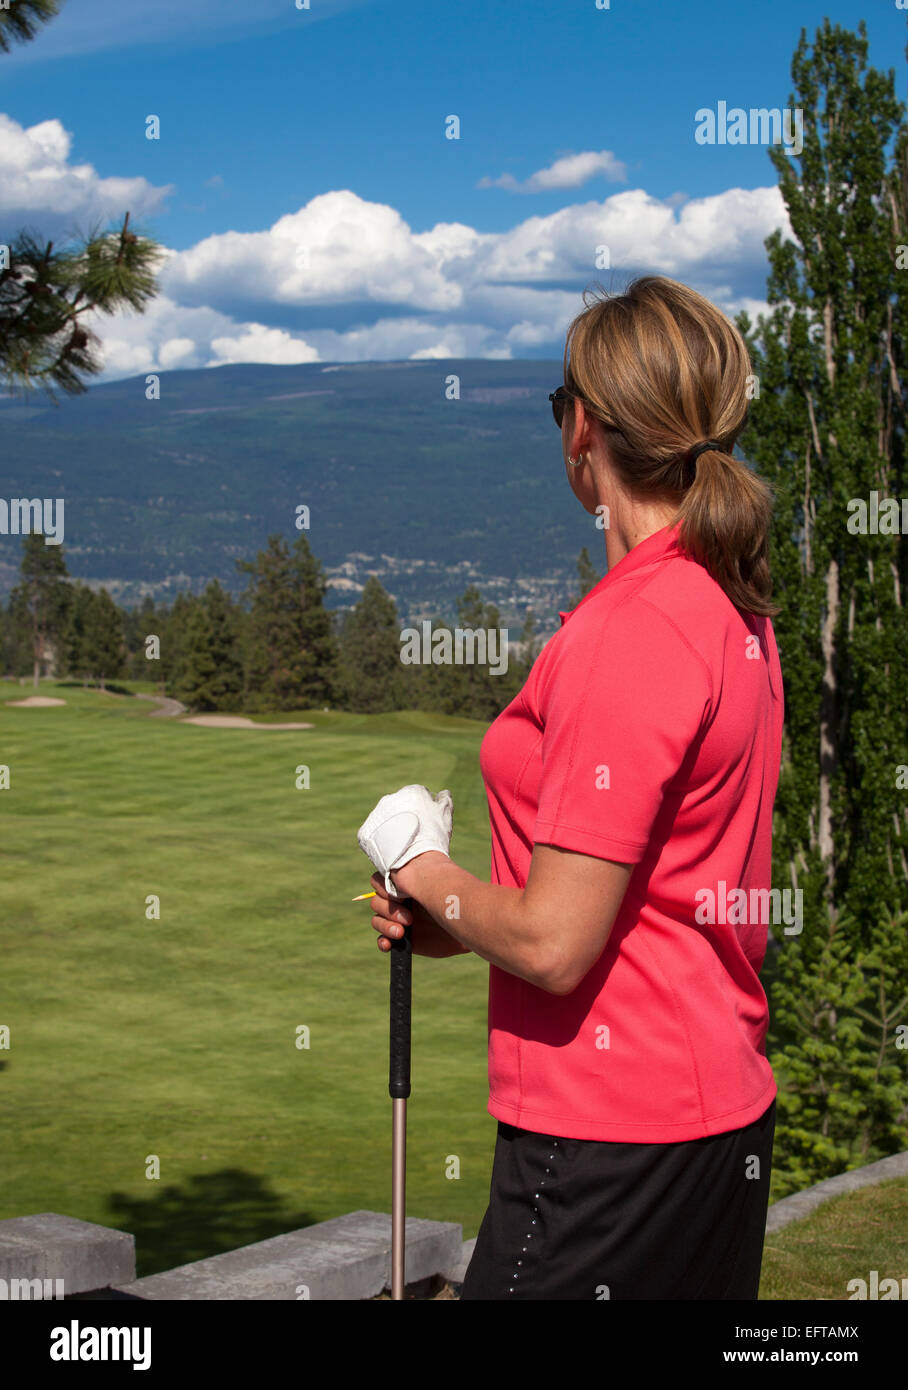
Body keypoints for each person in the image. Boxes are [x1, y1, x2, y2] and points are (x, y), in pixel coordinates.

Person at [363, 274, 783, 1300]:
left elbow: (555, 943)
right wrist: (456, 919)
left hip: (604, 1138)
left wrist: (420, 869)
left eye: (562, 404)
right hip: (713, 1117)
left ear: (582, 429)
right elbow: (637, 882)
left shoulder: (628, 629)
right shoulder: (728, 604)